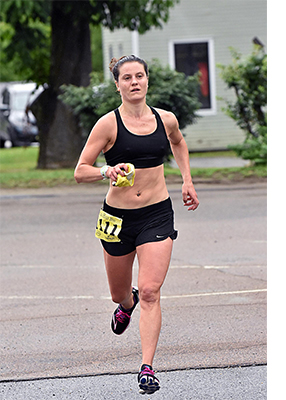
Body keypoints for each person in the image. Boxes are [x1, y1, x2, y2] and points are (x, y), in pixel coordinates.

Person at [74, 55, 199, 394]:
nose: (134, 82)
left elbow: (178, 142)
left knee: (150, 290)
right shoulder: (108, 125)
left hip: (157, 214)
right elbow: (80, 170)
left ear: (147, 80)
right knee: (122, 292)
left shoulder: (165, 119)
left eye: (139, 76)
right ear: (117, 84)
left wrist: (187, 180)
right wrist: (106, 171)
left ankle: (147, 367)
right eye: (126, 77)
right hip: (117, 219)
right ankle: (124, 304)